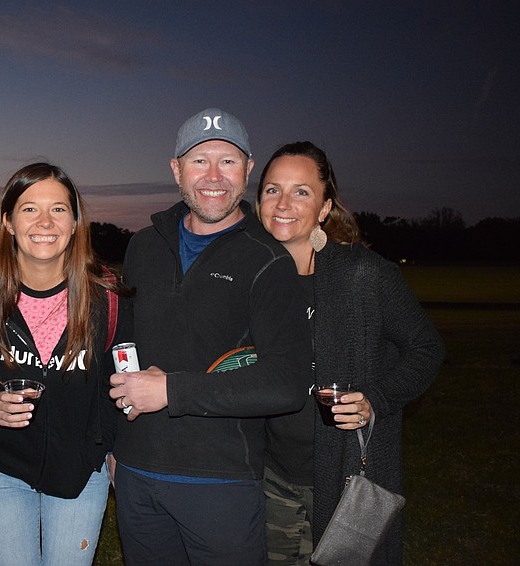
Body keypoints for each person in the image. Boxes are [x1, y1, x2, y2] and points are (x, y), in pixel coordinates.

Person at [108, 108, 312, 565]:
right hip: (137, 474)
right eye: (199, 161)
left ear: (248, 169)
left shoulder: (269, 261)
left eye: (228, 161)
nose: (214, 176)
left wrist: (171, 389)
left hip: (221, 484)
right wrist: (115, 446)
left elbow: (286, 382)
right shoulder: (144, 245)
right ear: (176, 169)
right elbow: (121, 347)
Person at [256, 141, 444, 565]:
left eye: (301, 191)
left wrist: (375, 398)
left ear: (324, 208)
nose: (283, 203)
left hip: (341, 474)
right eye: (272, 190)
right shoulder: (254, 278)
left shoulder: (365, 274)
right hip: (270, 478)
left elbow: (426, 348)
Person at [0, 162, 131, 566]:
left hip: (80, 474)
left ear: (75, 221)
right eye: (29, 208)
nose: (45, 221)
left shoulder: (108, 299)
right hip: (0, 472)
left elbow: (121, 383)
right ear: (9, 222)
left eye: (59, 209)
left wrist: (107, 448)